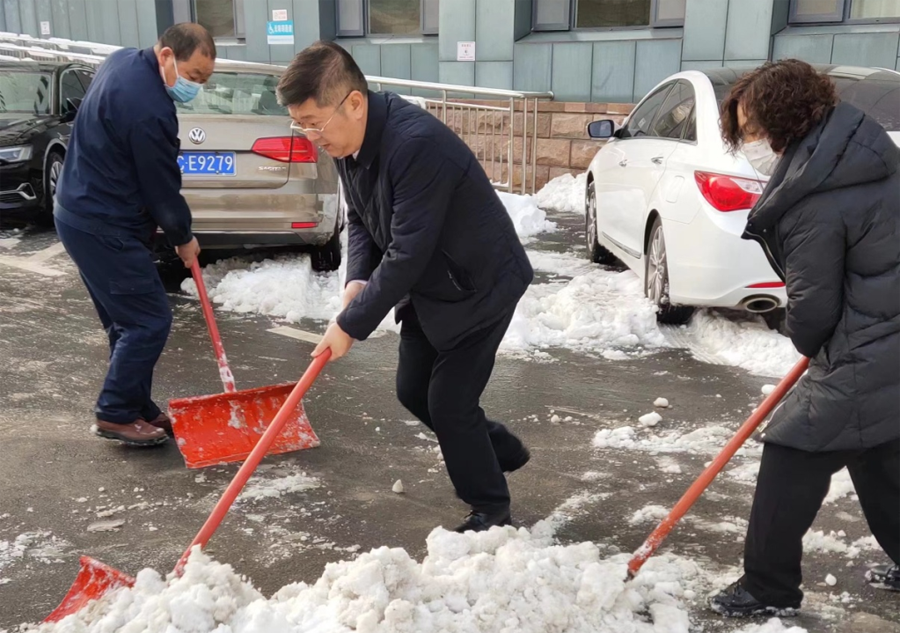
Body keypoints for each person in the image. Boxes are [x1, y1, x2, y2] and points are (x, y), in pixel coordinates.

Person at [277, 41, 534, 533]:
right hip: (430, 285)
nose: (310, 136)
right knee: (412, 388)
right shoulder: (347, 142)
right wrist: (357, 279)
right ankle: (497, 447)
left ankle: (490, 506)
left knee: (450, 402)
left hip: (480, 283)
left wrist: (350, 325)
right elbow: (361, 218)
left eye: (313, 123)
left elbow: (408, 252)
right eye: (300, 125)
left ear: (354, 103)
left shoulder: (415, 145)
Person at [710, 59, 900, 617]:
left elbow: (813, 315)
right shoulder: (866, 154)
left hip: (869, 346)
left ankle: (766, 588)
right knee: (879, 450)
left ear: (783, 120)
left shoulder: (815, 196)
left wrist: (803, 329)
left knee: (793, 448)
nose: (750, 144)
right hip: (887, 338)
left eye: (751, 130)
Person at [54, 24, 215, 447]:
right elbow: (160, 186)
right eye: (193, 76)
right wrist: (183, 235)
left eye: (204, 80)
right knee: (148, 320)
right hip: (103, 222)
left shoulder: (122, 60)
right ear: (166, 56)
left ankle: (136, 404)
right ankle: (115, 412)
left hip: (78, 211)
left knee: (126, 323)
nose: (196, 87)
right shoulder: (150, 110)